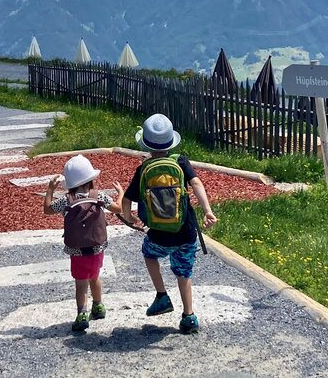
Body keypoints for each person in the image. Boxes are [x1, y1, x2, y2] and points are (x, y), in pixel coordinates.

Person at [121, 113, 218, 334]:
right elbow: (196, 183)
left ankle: (162, 295)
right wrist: (207, 211)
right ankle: (189, 316)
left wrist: (129, 218)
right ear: (171, 141)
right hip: (185, 232)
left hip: (159, 234)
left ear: (145, 143)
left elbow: (127, 200)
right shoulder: (181, 161)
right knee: (183, 273)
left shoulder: (144, 169)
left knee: (149, 253)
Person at [43, 155, 126, 333]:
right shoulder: (100, 196)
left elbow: (47, 209)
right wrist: (121, 194)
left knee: (81, 282)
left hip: (76, 249)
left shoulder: (66, 200)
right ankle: (98, 306)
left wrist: (50, 189)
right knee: (95, 276)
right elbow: (118, 208)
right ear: (90, 180)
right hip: (97, 247)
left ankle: (82, 314)